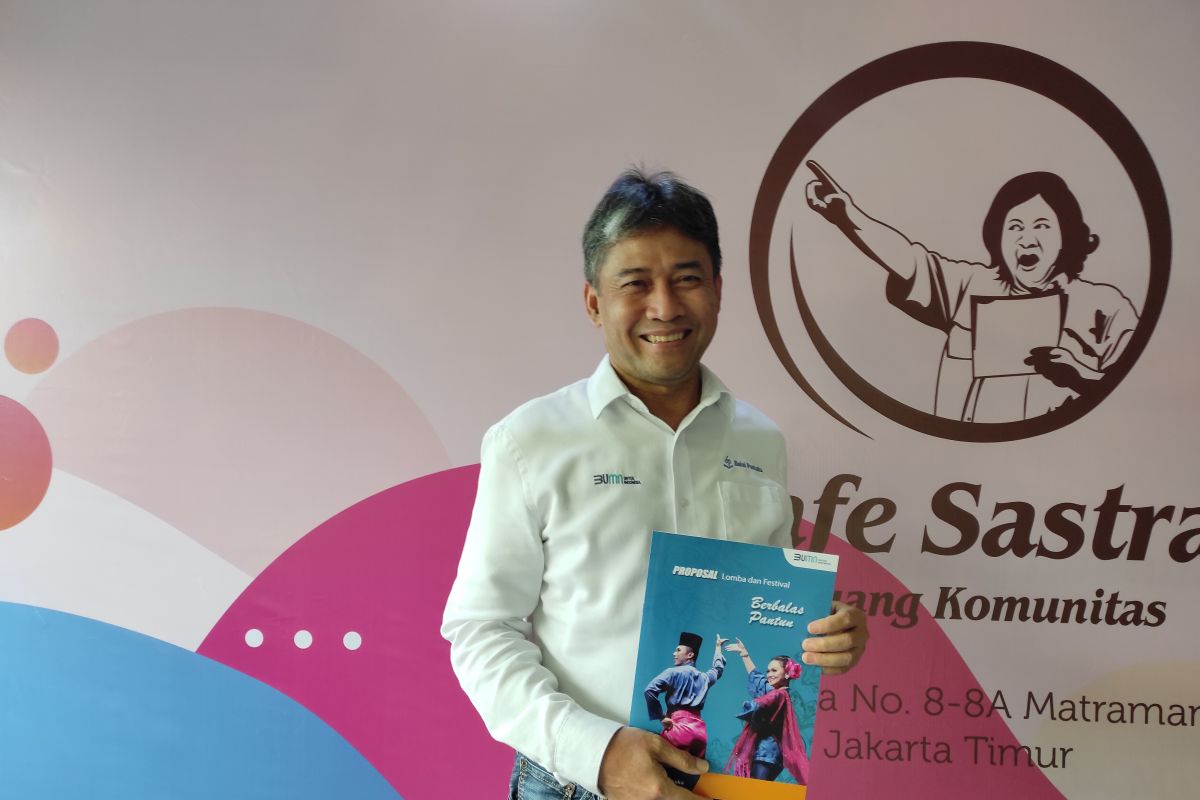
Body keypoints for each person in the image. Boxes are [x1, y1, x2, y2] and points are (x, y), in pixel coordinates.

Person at [442, 167, 869, 800]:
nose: (664, 307)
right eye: (635, 283)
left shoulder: (760, 442)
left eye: (686, 279)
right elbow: (481, 629)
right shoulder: (529, 441)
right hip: (574, 785)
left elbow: (763, 609)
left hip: (725, 782)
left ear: (717, 291)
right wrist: (598, 753)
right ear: (594, 302)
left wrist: (822, 633)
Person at [805, 161, 1139, 422]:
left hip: (1057, 472)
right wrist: (848, 216)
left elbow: (1143, 400)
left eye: (1042, 226)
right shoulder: (970, 286)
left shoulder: (1105, 308)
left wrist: (1082, 376)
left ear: (1067, 235)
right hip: (966, 469)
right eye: (1015, 227)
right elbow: (908, 259)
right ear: (997, 238)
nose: (1027, 239)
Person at [723, 638, 809, 784]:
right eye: (768, 670)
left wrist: (749, 706)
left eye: (774, 670)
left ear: (787, 674)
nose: (769, 674)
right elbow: (759, 681)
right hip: (769, 755)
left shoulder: (779, 695)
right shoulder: (778, 692)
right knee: (755, 790)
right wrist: (745, 655)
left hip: (766, 754)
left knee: (754, 791)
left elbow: (763, 702)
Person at [643, 632, 727, 759]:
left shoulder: (672, 673)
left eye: (678, 650)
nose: (674, 653)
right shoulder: (705, 678)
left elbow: (649, 690)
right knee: (693, 770)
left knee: (661, 766)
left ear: (690, 655)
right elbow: (718, 669)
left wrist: (661, 717)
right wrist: (718, 648)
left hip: (677, 728)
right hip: (699, 734)